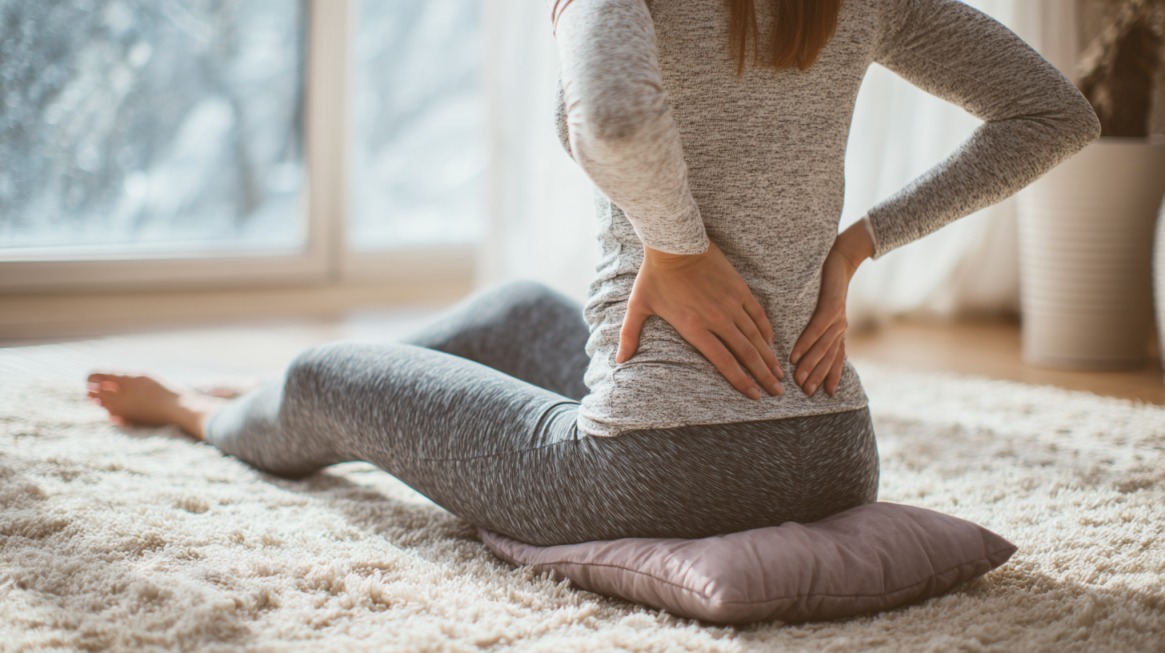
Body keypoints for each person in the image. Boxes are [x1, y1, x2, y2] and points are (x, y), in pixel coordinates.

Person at [87, 0, 1100, 546]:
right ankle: (290, 399)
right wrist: (856, 244)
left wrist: (679, 246)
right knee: (524, 308)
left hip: (642, 475)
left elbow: (613, 115)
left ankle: (199, 414)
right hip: (834, 448)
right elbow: (1055, 112)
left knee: (321, 376)